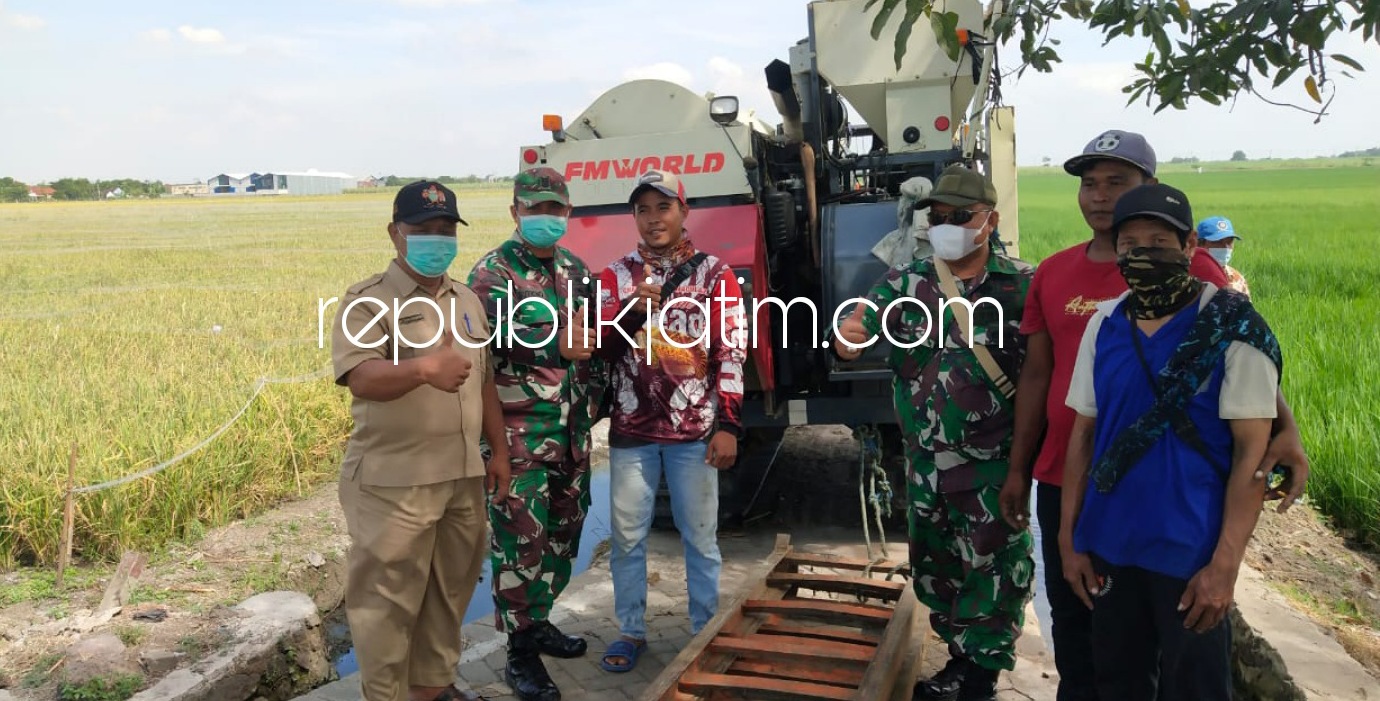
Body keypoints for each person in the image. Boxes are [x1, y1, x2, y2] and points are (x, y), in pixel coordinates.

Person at [996, 130, 1309, 701]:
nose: (1100, 195)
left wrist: (1285, 428)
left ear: (1187, 242)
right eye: (1091, 184)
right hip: (1086, 499)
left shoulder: (1210, 293)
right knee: (1092, 651)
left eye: (1117, 182)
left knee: (1187, 670)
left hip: (1183, 521)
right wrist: (1044, 500)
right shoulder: (1077, 293)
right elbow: (1043, 383)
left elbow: (1241, 350)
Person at [1061, 183, 1281, 700]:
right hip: (1111, 547)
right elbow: (1083, 436)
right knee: (1118, 683)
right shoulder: (1105, 323)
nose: (1143, 254)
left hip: (1190, 555)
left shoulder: (1231, 328)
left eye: (1159, 242)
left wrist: (1224, 567)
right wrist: (1069, 542)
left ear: (1188, 248)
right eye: (1130, 243)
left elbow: (1253, 454)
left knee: (1196, 688)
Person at [835, 164, 1034, 701]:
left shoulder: (1022, 287)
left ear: (989, 220)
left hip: (991, 465)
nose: (946, 225)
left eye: (960, 216)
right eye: (939, 217)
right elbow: (856, 326)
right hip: (925, 464)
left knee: (993, 571)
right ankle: (957, 657)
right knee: (937, 568)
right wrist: (847, 337)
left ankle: (979, 674)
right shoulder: (907, 282)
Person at [331, 180, 509, 701]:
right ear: (395, 233)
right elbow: (361, 378)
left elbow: (486, 381)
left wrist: (497, 452)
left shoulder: (469, 301)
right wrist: (423, 369)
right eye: (424, 230)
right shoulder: (366, 303)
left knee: (448, 599)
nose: (437, 239)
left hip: (460, 479)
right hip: (394, 486)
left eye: (446, 230)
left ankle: (431, 689)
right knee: (386, 608)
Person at [594, 169, 747, 673]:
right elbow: (602, 351)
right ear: (633, 217)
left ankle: (704, 631)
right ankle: (631, 630)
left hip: (693, 433)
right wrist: (633, 313)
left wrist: (728, 425)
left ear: (683, 212)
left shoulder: (714, 275)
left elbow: (730, 351)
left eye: (664, 207)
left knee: (700, 537)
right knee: (628, 538)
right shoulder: (615, 276)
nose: (654, 218)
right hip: (631, 433)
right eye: (643, 209)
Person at [466, 168, 604, 701]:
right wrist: (554, 345)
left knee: (563, 538)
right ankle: (519, 655)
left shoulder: (575, 270)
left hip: (570, 434)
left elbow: (591, 340)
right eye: (535, 209)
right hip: (519, 439)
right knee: (520, 547)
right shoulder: (492, 274)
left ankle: (540, 622)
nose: (545, 218)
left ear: (567, 214)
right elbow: (486, 343)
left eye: (555, 209)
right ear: (515, 213)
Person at [1197, 216, 1250, 297]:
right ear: (1200, 244)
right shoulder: (1189, 276)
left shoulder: (1237, 278)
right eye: (1218, 242)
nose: (1225, 247)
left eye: (1229, 242)